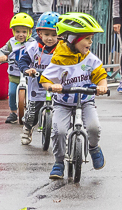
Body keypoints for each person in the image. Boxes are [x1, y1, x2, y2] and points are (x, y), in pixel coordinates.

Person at [42, 13, 110, 179]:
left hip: (85, 101)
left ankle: (93, 147)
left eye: (91, 38)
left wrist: (102, 87)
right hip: (63, 103)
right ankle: (58, 162)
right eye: (87, 38)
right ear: (73, 38)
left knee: (94, 127)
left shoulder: (90, 59)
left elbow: (100, 75)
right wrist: (52, 86)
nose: (90, 42)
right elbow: (45, 79)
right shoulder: (59, 59)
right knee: (59, 131)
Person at [18, 12, 62, 144]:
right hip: (36, 88)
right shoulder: (34, 47)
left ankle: (61, 136)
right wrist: (27, 69)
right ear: (40, 34)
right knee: (32, 114)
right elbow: (23, 60)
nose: (50, 38)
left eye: (54, 35)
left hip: (55, 87)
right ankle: (27, 128)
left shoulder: (61, 49)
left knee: (61, 111)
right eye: (46, 35)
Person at [0, 13, 35, 125]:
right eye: (17, 31)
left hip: (28, 73)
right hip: (14, 74)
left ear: (30, 32)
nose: (20, 34)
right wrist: (1, 56)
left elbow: (39, 54)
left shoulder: (33, 43)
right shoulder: (11, 42)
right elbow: (1, 51)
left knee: (32, 93)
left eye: (24, 32)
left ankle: (32, 111)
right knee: (12, 93)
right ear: (13, 32)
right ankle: (13, 113)